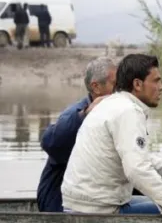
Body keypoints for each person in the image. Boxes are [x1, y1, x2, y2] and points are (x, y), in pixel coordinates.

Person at [61, 53, 162, 220]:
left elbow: (135, 156)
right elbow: (137, 169)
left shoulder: (113, 103)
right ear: (137, 84)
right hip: (97, 209)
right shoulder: (128, 111)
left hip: (84, 203)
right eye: (156, 81)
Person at [37, 57, 117, 212]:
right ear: (96, 87)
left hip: (95, 198)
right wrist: (84, 115)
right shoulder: (75, 114)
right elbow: (48, 142)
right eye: (115, 84)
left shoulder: (117, 114)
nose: (120, 89)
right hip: (58, 202)